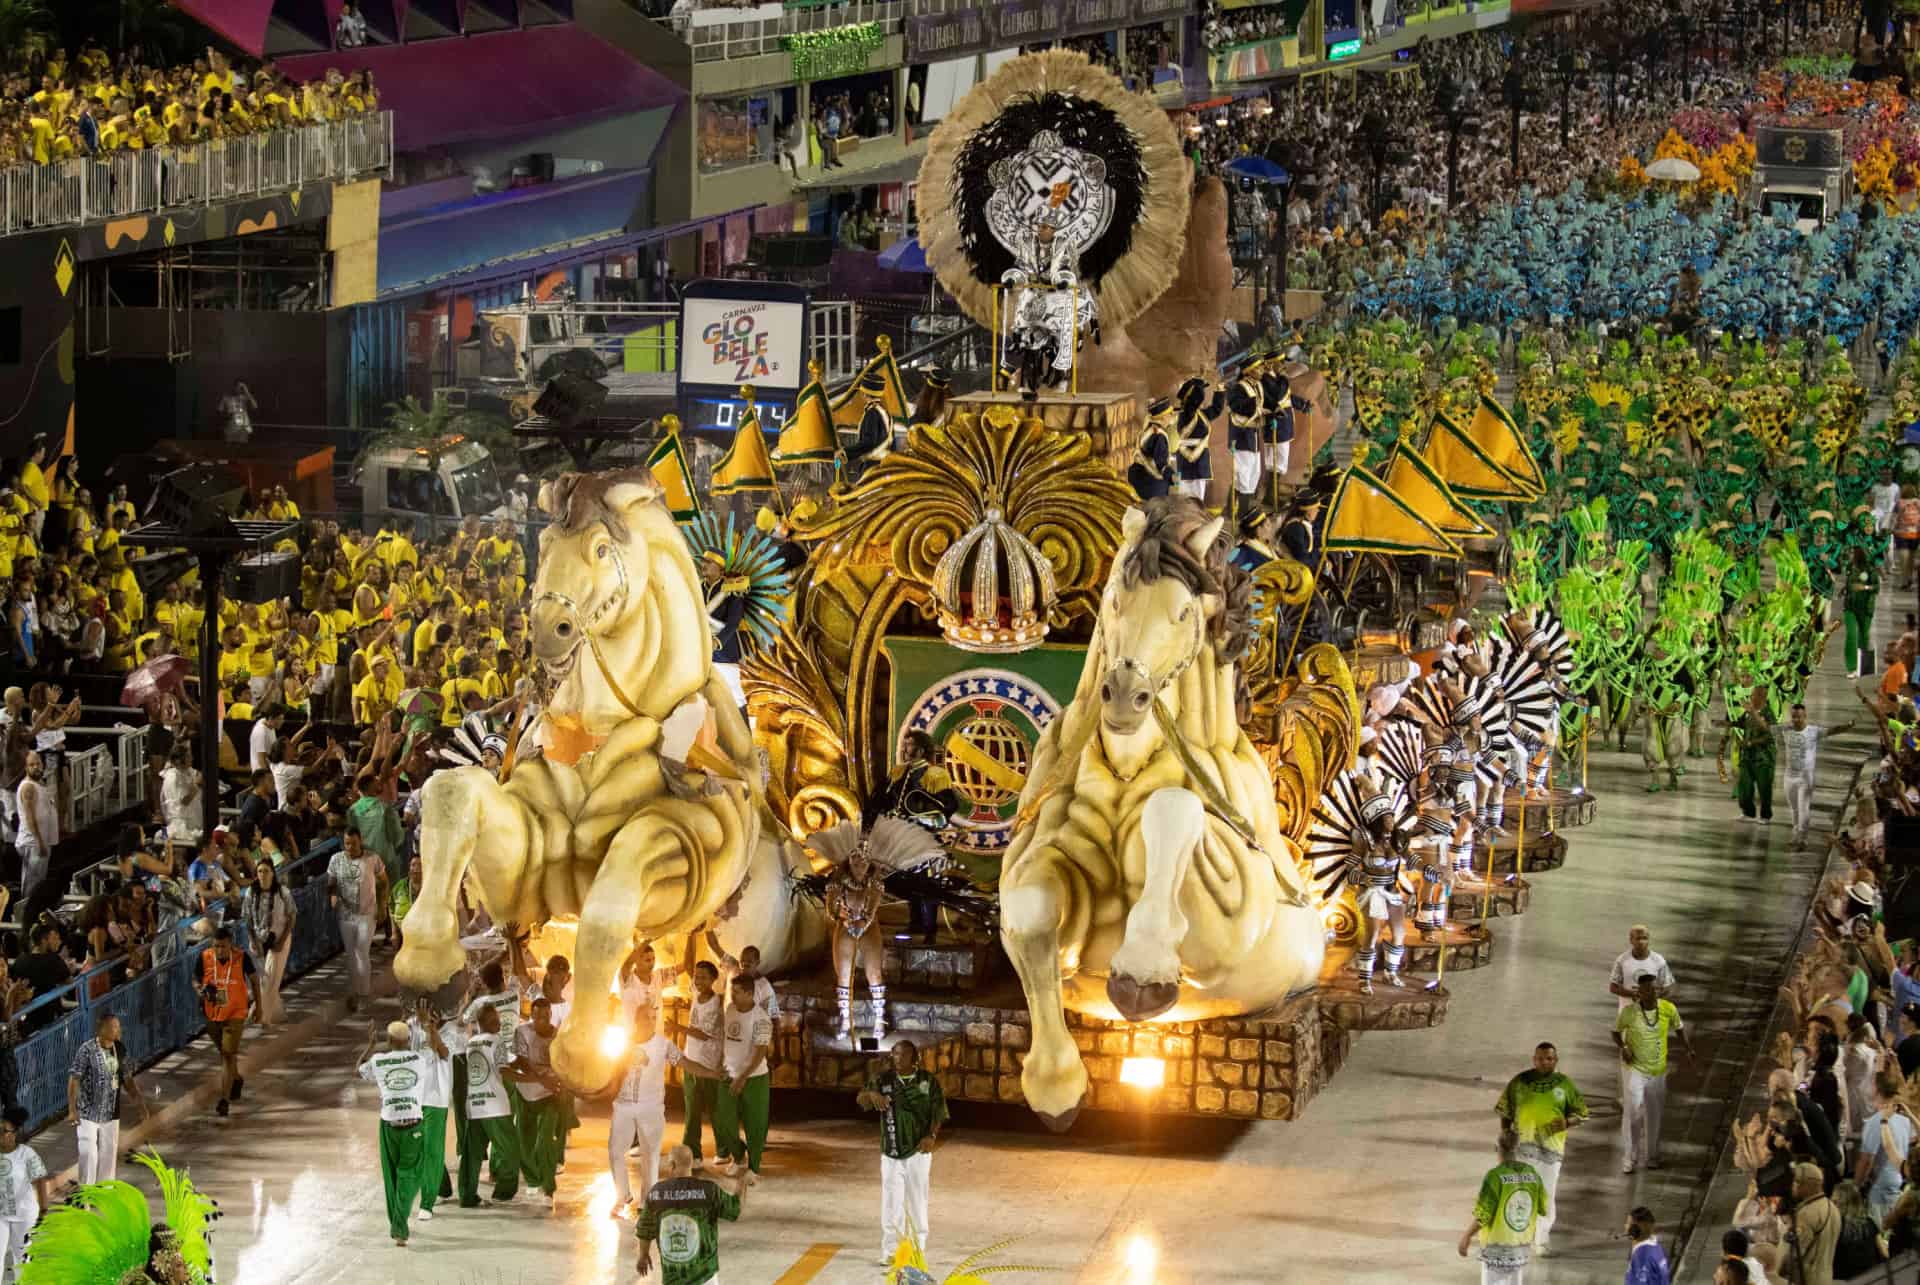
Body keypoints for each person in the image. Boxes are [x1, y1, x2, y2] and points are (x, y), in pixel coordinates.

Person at [858, 1039, 947, 1266]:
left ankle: (918, 1248)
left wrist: (932, 1136)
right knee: (891, 1202)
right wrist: (872, 1096)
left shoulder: (928, 1081)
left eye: (903, 1055)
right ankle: (890, 1250)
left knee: (917, 1200)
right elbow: (861, 1098)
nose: (897, 1059)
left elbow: (938, 1112)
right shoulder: (883, 1079)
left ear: (914, 1058)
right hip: (891, 1151)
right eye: (895, 1054)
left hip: (918, 1151)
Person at [1494, 1042, 1587, 1256]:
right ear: (1533, 1059)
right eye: (1539, 1058)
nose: (1543, 1062)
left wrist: (1567, 1123)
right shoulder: (1519, 1082)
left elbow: (1581, 1113)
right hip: (1522, 1149)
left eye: (1548, 1058)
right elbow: (1505, 1110)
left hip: (1551, 1152)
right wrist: (1506, 1135)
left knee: (1546, 1194)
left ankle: (1542, 1238)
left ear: (1555, 1060)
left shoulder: (1565, 1085)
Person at [358, 1018, 445, 1247]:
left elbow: (359, 1069)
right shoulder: (418, 1058)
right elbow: (437, 1048)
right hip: (413, 1125)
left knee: (392, 1177)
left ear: (388, 1040)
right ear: (408, 1041)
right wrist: (430, 1028)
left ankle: (397, 1225)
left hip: (388, 1125)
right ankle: (399, 1226)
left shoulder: (378, 1061)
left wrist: (370, 1045)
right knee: (410, 1175)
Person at [1613, 974, 1696, 1173]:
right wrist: (1624, 1046)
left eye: (1653, 989)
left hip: (1658, 1072)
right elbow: (1615, 1032)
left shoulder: (1668, 1009)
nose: (1649, 993)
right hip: (1635, 1071)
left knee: (1654, 1115)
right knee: (1633, 1113)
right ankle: (1629, 1158)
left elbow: (1679, 1028)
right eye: (1645, 990)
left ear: (1658, 990)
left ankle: (1652, 1157)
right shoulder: (1629, 1012)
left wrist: (1688, 1049)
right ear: (1638, 992)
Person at [635, 1144, 746, 1284]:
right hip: (705, 1276)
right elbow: (735, 1210)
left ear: (672, 1164)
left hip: (673, 1278)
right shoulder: (709, 1191)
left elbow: (645, 1229)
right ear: (692, 1163)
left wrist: (643, 1255)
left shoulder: (657, 1193)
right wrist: (742, 1184)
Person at [610, 1005, 682, 1218]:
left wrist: (712, 1073)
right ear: (636, 1018)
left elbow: (684, 1061)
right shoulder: (623, 1043)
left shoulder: (663, 1044)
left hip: (651, 1106)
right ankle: (622, 1197)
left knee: (650, 1153)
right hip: (623, 1104)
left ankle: (648, 1200)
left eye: (653, 1018)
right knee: (615, 1151)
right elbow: (612, 1071)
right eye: (645, 1017)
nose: (649, 1021)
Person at [1456, 1128, 1547, 1285]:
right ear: (1517, 1149)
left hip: (1496, 1249)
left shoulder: (1495, 1176)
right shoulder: (1532, 1173)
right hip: (1520, 1247)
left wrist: (1467, 1236)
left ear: (1496, 1148)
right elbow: (1543, 1207)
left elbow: (1484, 1214)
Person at [66, 1011, 147, 1184]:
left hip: (111, 1113)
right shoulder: (86, 1050)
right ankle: (86, 1194)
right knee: (89, 1153)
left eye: (118, 1026)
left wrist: (140, 1105)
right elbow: (74, 1078)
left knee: (108, 1154)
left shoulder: (120, 1049)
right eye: (114, 1026)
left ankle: (105, 1192)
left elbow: (127, 1079)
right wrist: (72, 1109)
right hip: (88, 1112)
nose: (119, 1030)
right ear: (102, 1029)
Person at [457, 1003, 521, 1207]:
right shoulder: (497, 1041)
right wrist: (532, 1078)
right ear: (486, 1022)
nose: (500, 1023)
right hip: (495, 1106)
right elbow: (504, 1070)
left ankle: (467, 1195)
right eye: (495, 1020)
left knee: (471, 1155)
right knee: (510, 1150)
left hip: (474, 1106)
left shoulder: (471, 1043)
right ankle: (503, 1192)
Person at [712, 974, 773, 1183]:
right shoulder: (730, 1010)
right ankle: (738, 1157)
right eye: (732, 992)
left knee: (754, 1124)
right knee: (723, 1120)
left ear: (749, 993)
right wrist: (721, 1064)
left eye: (737, 992)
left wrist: (743, 1077)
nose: (733, 996)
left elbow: (759, 1052)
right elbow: (726, 1041)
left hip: (754, 1078)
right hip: (728, 1074)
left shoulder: (762, 1018)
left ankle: (754, 1167)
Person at [508, 995, 564, 1208]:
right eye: (539, 1016)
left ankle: (549, 1189)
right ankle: (533, 1179)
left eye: (547, 1016)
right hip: (526, 1094)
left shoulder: (558, 1035)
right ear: (532, 1016)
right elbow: (522, 1060)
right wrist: (541, 1079)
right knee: (525, 1143)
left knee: (545, 1144)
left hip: (549, 1097)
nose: (543, 1020)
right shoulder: (522, 1032)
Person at [407, 997, 458, 1222]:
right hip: (413, 1098)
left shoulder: (451, 1031)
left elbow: (444, 1053)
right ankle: (443, 1188)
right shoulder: (410, 1025)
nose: (424, 1011)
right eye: (421, 1007)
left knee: (432, 1150)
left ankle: (427, 1202)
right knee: (421, 1149)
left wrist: (430, 1027)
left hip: (435, 1099)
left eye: (429, 1007)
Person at [1776, 705, 1855, 848]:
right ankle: (1795, 834)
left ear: (1805, 716)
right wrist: (1752, 712)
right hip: (1789, 777)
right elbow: (1765, 727)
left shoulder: (1813, 731)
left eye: (1799, 716)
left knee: (1803, 808)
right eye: (1793, 716)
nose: (1796, 719)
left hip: (1805, 778)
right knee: (1794, 809)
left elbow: (1831, 731)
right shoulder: (1785, 730)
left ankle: (1802, 837)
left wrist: (1847, 726)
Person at [328, 829, 386, 1013]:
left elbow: (384, 882)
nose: (350, 847)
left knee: (362, 950)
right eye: (347, 843)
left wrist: (383, 906)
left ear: (360, 841)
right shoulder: (336, 859)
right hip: (345, 915)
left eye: (353, 843)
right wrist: (333, 898)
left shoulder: (372, 859)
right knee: (351, 954)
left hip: (367, 914)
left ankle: (364, 992)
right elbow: (331, 884)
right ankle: (354, 990)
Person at [200, 926, 254, 1118]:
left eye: (223, 946)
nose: (219, 950)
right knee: (226, 1054)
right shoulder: (205, 957)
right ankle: (236, 1078)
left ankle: (224, 1099)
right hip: (212, 1014)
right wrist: (201, 989)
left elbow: (254, 980)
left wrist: (260, 1006)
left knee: (227, 1055)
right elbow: (195, 980)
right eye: (216, 946)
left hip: (235, 1013)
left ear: (230, 943)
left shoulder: (242, 957)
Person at [677, 960, 726, 1167]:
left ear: (714, 980)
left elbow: (703, 1035)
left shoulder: (716, 1004)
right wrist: (691, 933)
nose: (698, 980)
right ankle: (694, 1154)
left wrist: (678, 1028)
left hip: (709, 1067)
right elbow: (688, 966)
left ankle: (724, 1151)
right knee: (691, 1113)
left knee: (716, 1111)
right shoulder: (696, 994)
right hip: (691, 1063)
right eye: (697, 977)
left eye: (703, 977)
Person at [241, 856, 295, 1026]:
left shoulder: (283, 892)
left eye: (266, 871)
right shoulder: (251, 892)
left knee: (270, 978)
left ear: (273, 873)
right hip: (258, 941)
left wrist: (282, 940)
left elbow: (292, 917)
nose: (263, 874)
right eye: (260, 871)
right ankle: (278, 1014)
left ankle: (260, 1016)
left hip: (279, 940)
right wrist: (253, 941)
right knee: (267, 980)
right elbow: (248, 919)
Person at [1855, 1069, 1914, 1222]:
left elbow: (1867, 1160)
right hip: (1898, 1184)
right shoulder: (1904, 1120)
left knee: (1880, 1235)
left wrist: (1855, 1186)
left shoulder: (1875, 1122)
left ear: (1876, 1088)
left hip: (1880, 1190)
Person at [1720, 687, 1780, 824]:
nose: (1751, 698)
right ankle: (1748, 812)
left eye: (1753, 696)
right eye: (1751, 696)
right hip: (1747, 757)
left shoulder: (1768, 714)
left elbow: (1769, 734)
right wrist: (1726, 723)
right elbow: (1742, 723)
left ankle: (1765, 816)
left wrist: (1751, 742)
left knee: (1764, 788)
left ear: (1762, 698)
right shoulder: (1748, 712)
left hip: (1764, 759)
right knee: (1744, 785)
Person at [0, 1110, 49, 1279]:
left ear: (14, 1134)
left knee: (22, 1260)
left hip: (25, 1215)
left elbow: (40, 1181)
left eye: (4, 1131)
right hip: (1, 1216)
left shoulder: (27, 1154)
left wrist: (44, 1209)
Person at [1787, 1162, 1841, 1285]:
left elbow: (1794, 1253)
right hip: (1826, 1277)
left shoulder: (1806, 1214)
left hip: (1808, 1279)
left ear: (1807, 1185)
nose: (1793, 1186)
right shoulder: (1832, 1207)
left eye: (1796, 1182)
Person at [15, 751, 56, 900]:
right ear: (26, 767)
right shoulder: (28, 787)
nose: (36, 767)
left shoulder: (39, 784)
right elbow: (29, 817)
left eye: (38, 763)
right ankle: (26, 913)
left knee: (40, 881)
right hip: (32, 842)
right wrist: (39, 842)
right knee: (32, 884)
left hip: (42, 840)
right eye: (32, 765)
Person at [1609, 925, 1675, 1008]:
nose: (1641, 942)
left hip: (1652, 1014)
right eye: (1638, 938)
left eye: (1644, 938)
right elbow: (1613, 987)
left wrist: (1652, 998)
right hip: (1627, 1014)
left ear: (1648, 940)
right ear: (1631, 940)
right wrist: (1634, 994)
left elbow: (1668, 986)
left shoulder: (1658, 960)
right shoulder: (1622, 960)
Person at [1831, 1180, 1885, 1279]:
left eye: (1834, 1201)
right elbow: (1884, 1253)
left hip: (1843, 1279)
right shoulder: (1869, 1222)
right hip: (1871, 1277)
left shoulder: (1835, 1226)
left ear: (1841, 1203)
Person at [1625, 1206, 1670, 1285]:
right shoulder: (1657, 1247)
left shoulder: (1641, 1256)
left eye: (1629, 1223)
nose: (1625, 1226)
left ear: (1636, 1229)